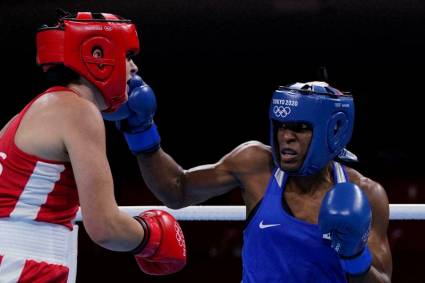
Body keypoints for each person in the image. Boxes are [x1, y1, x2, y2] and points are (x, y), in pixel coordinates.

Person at [106, 78, 393, 282]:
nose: (286, 137)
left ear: (333, 131)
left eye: (300, 128)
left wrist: (355, 257)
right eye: (281, 126)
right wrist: (141, 132)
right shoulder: (256, 166)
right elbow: (177, 190)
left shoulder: (365, 194)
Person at [0, 11, 186, 283]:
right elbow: (105, 227)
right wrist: (152, 235)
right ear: (98, 55)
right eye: (127, 57)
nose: (134, 69)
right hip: (22, 262)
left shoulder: (36, 111)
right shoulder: (78, 111)